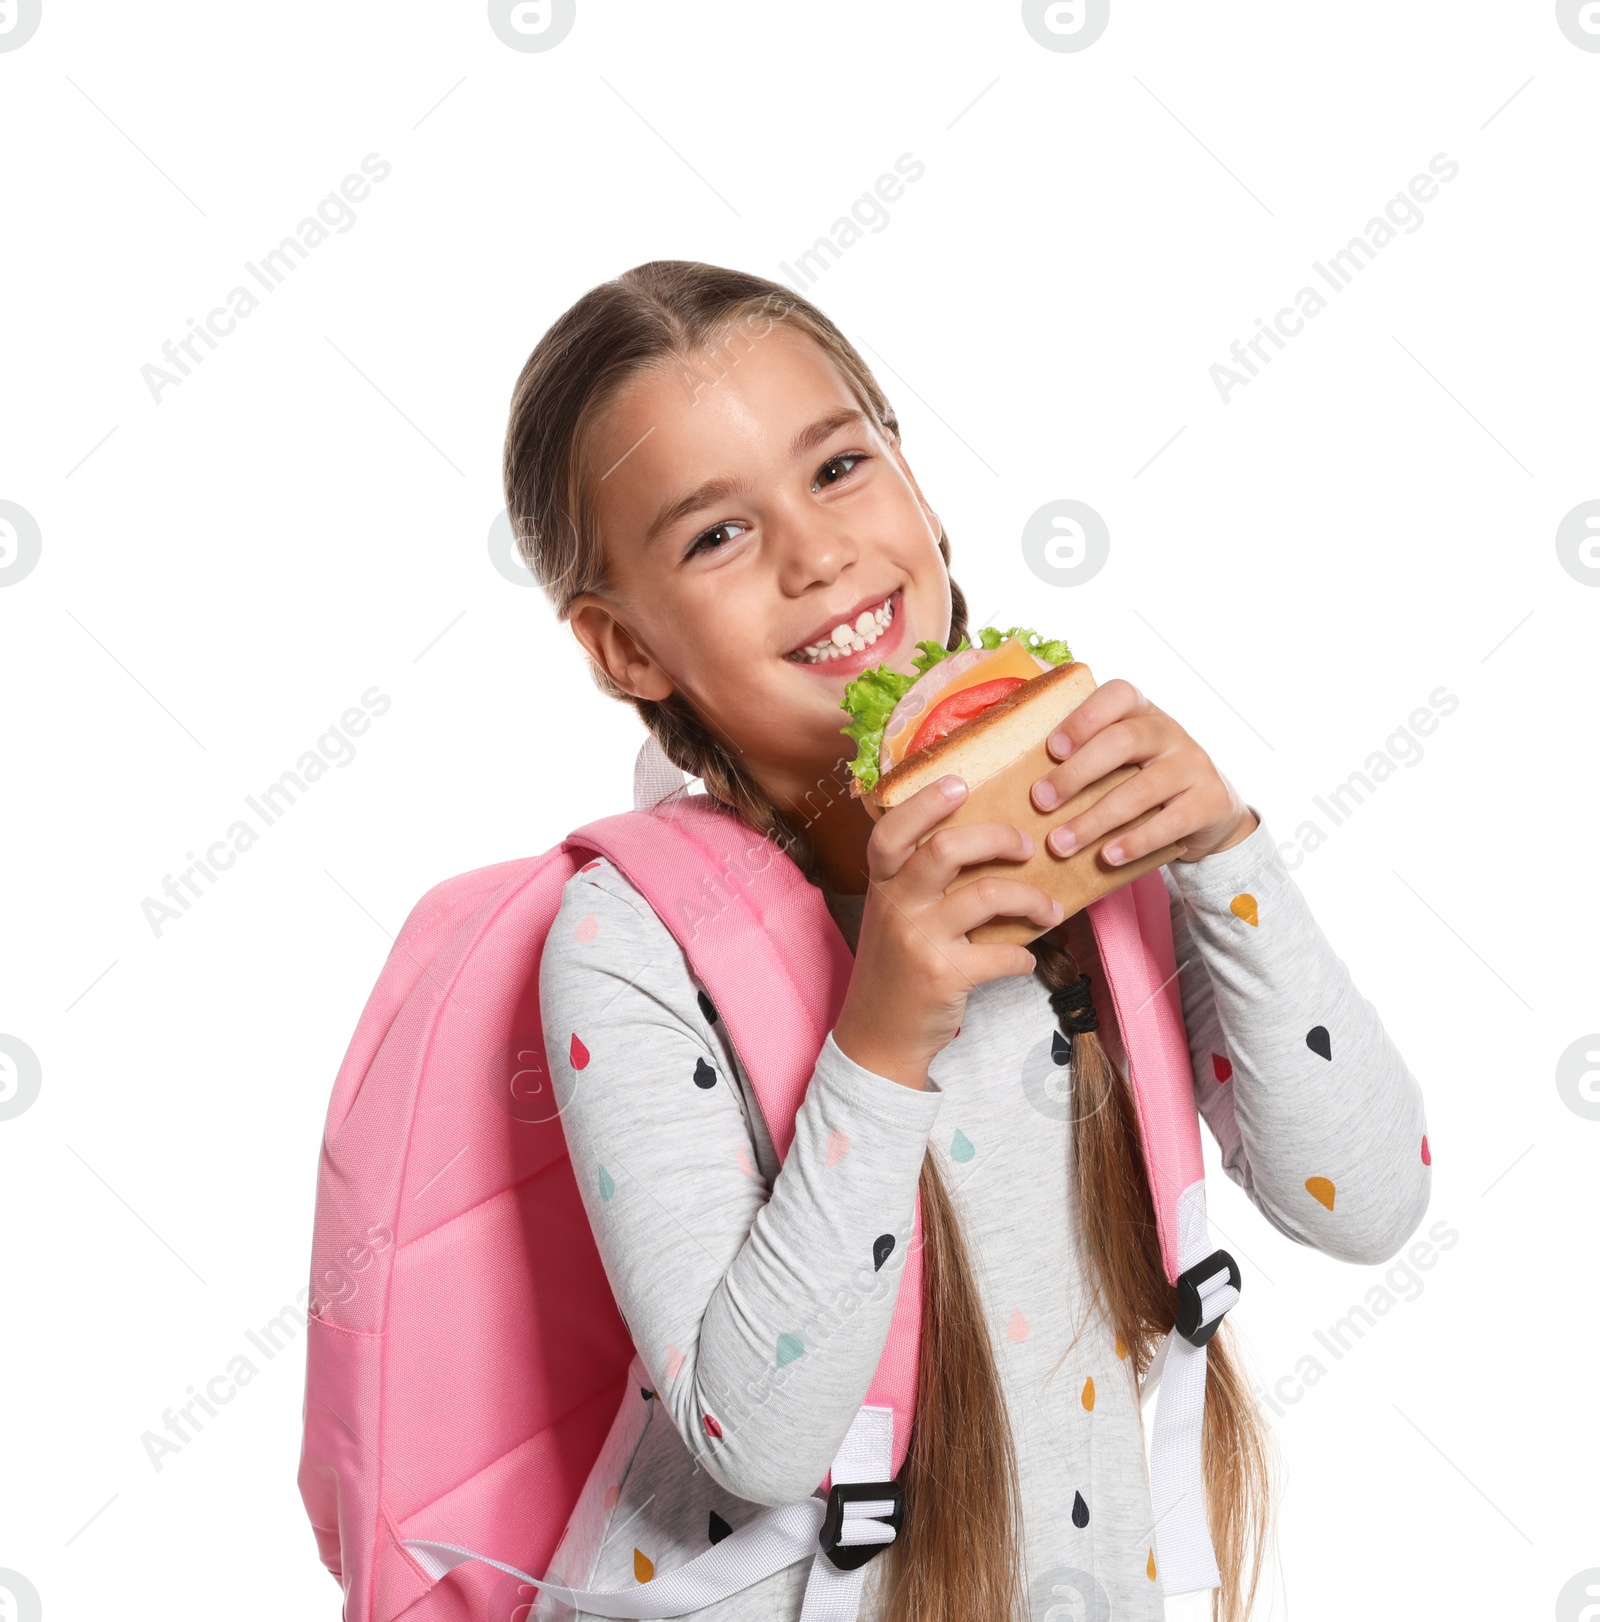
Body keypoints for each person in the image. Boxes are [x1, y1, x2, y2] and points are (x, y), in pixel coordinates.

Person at [506, 260, 1432, 1622]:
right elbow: (761, 1440)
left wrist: (1227, 846)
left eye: (838, 466)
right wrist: (885, 1027)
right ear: (624, 647)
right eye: (715, 535)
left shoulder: (1076, 812)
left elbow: (1365, 1199)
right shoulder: (631, 937)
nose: (819, 555)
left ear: (920, 486)